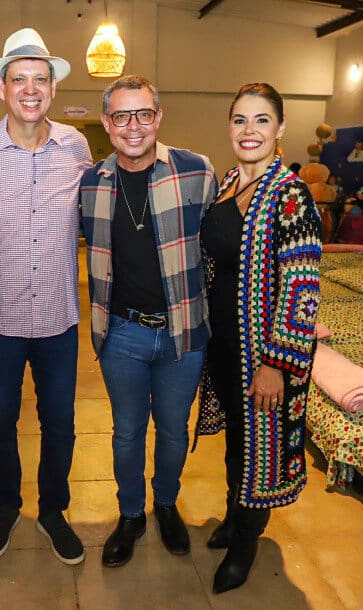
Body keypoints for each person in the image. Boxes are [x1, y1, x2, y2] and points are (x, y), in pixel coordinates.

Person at [0, 28, 93, 566]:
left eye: (41, 79)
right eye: (20, 79)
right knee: (0, 422)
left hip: (59, 317)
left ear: (54, 88)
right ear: (1, 87)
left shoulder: (76, 147)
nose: (31, 89)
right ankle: (6, 504)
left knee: (60, 423)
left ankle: (54, 510)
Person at [79, 75, 216, 568]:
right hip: (121, 333)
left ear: (158, 117)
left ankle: (166, 504)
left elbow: (220, 247)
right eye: (121, 115)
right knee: (127, 432)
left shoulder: (197, 171)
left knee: (174, 431)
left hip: (184, 332)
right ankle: (131, 514)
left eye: (143, 114)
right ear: (107, 122)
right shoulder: (91, 182)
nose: (133, 126)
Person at [196, 83, 322, 594]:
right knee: (238, 442)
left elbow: (302, 287)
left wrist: (276, 364)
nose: (249, 131)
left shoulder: (290, 195)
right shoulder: (228, 184)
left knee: (260, 449)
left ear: (280, 128)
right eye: (240, 120)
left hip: (264, 354)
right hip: (225, 346)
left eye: (262, 120)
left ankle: (246, 542)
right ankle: (233, 516)